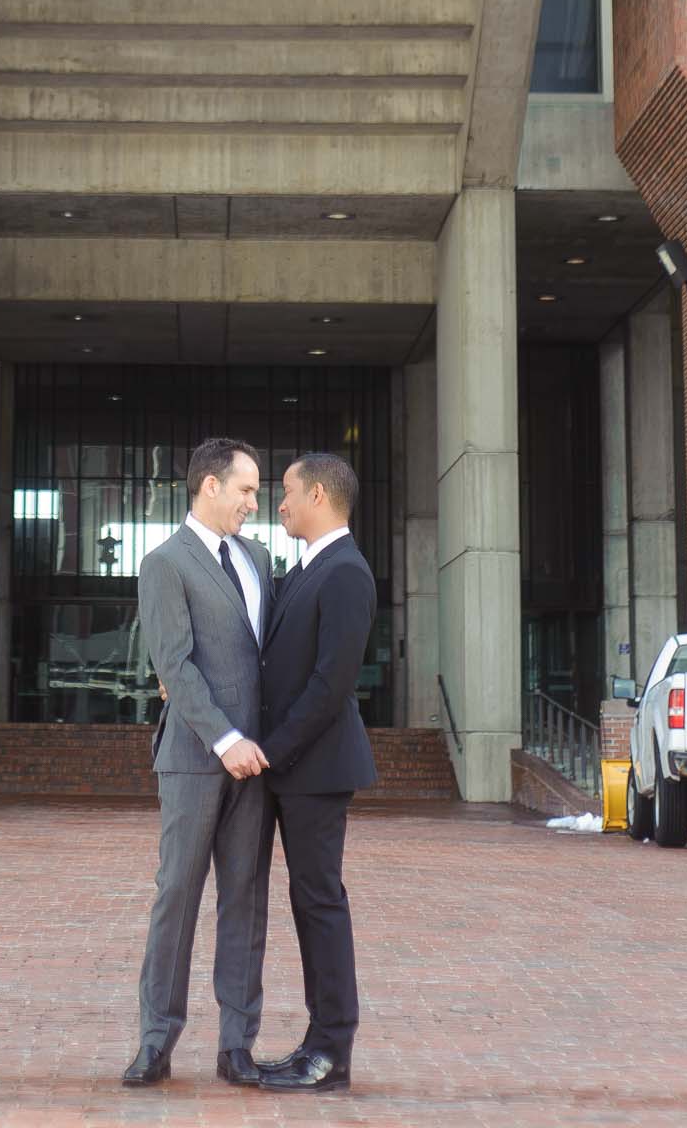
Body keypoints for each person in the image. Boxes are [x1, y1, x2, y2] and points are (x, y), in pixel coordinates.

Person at [123, 435, 275, 1090]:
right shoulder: (165, 563)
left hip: (258, 762)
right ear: (208, 485)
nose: (252, 502)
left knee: (244, 899)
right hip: (195, 757)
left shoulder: (260, 558)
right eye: (244, 489)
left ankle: (237, 1046)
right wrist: (223, 739)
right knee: (177, 897)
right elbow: (173, 667)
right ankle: (156, 1041)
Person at [255, 450, 377, 1094]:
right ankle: (315, 1043)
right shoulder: (307, 568)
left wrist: (273, 750)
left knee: (320, 905)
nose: (280, 505)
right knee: (310, 905)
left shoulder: (346, 573)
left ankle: (331, 1051)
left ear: (321, 497)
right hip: (294, 768)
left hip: (315, 769)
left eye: (287, 493)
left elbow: (332, 685)